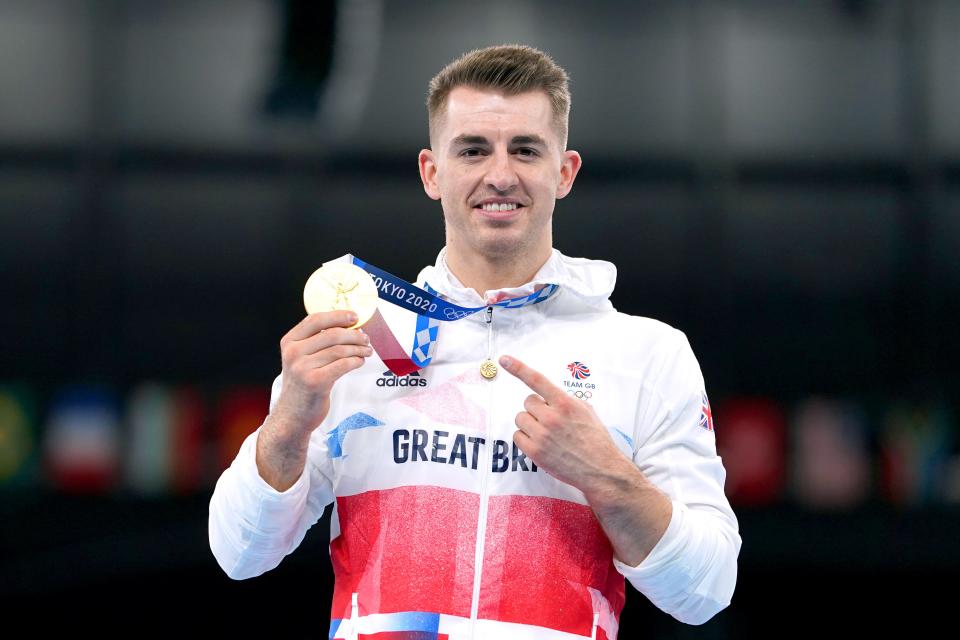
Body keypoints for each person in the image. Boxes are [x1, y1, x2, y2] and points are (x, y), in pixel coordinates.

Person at [209, 44, 740, 640]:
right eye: (473, 150)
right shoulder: (359, 339)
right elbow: (239, 554)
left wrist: (606, 476)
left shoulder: (647, 354)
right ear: (432, 172)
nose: (501, 175)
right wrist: (288, 422)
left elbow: (707, 589)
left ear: (564, 172)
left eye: (526, 150)